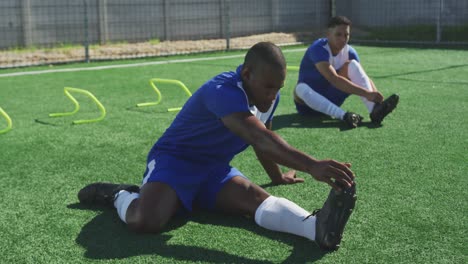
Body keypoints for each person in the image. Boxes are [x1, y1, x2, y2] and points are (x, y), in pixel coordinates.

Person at [78, 42, 356, 251]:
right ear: (247, 74)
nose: (273, 96)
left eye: (278, 88)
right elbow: (258, 137)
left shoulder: (268, 94)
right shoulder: (222, 90)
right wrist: (311, 165)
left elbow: (264, 138)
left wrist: (277, 176)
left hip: (213, 169)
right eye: (269, 87)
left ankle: (316, 228)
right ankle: (120, 194)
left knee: (254, 200)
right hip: (174, 161)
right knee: (146, 221)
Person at [294, 16, 399, 128]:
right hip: (307, 107)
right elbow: (334, 79)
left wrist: (377, 100)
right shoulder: (318, 49)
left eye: (346, 35)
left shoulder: (350, 52)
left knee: (353, 65)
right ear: (328, 34)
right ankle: (344, 116)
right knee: (300, 88)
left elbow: (364, 78)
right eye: (338, 35)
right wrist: (367, 93)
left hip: (332, 99)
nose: (343, 39)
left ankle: (374, 111)